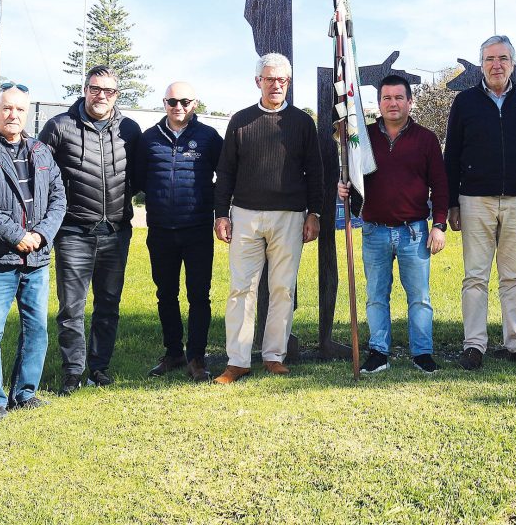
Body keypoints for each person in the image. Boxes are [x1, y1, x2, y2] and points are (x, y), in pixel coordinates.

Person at [0, 82, 67, 419]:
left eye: (20, 109)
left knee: (37, 329)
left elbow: (59, 198)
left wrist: (41, 235)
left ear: (28, 113)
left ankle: (25, 393)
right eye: (7, 108)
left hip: (36, 259)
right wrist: (17, 235)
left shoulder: (41, 151)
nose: (13, 114)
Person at [213, 53, 323, 382]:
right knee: (241, 289)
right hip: (245, 215)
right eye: (270, 79)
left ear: (288, 83)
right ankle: (238, 360)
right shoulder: (240, 121)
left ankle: (274, 355)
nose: (276, 85)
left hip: (289, 216)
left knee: (282, 289)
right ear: (257, 81)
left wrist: (314, 212)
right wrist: (222, 213)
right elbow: (225, 171)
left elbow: (314, 172)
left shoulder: (303, 123)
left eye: (282, 80)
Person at [444, 35, 516, 370]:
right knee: (475, 275)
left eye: (502, 58)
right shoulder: (465, 102)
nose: (496, 65)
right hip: (474, 200)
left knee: (513, 275)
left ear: (513, 63)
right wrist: (452, 203)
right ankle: (474, 344)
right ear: (481, 65)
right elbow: (452, 154)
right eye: (489, 59)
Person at [39, 65, 141, 394]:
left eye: (108, 91)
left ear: (117, 95)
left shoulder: (130, 129)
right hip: (73, 232)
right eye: (95, 89)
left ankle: (99, 367)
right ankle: (72, 370)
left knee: (108, 303)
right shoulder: (59, 127)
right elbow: (42, 179)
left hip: (115, 231)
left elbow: (138, 175)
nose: (101, 96)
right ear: (85, 90)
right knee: (71, 306)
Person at [337, 75, 448, 375]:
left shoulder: (426, 139)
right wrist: (343, 187)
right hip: (374, 230)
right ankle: (378, 352)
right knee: (376, 295)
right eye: (387, 98)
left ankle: (422, 353)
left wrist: (439, 225)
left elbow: (439, 186)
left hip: (414, 232)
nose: (393, 103)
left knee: (420, 297)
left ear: (410, 102)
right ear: (379, 103)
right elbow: (353, 176)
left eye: (399, 97)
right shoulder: (362, 137)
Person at [134, 82, 223, 382]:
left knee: (199, 295)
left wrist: (207, 199)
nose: (178, 106)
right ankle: (173, 352)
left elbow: (226, 174)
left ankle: (197, 357)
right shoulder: (149, 140)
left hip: (197, 229)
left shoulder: (209, 137)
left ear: (195, 103)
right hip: (160, 230)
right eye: (172, 101)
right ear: (164, 103)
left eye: (185, 101)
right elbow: (138, 178)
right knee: (165, 295)